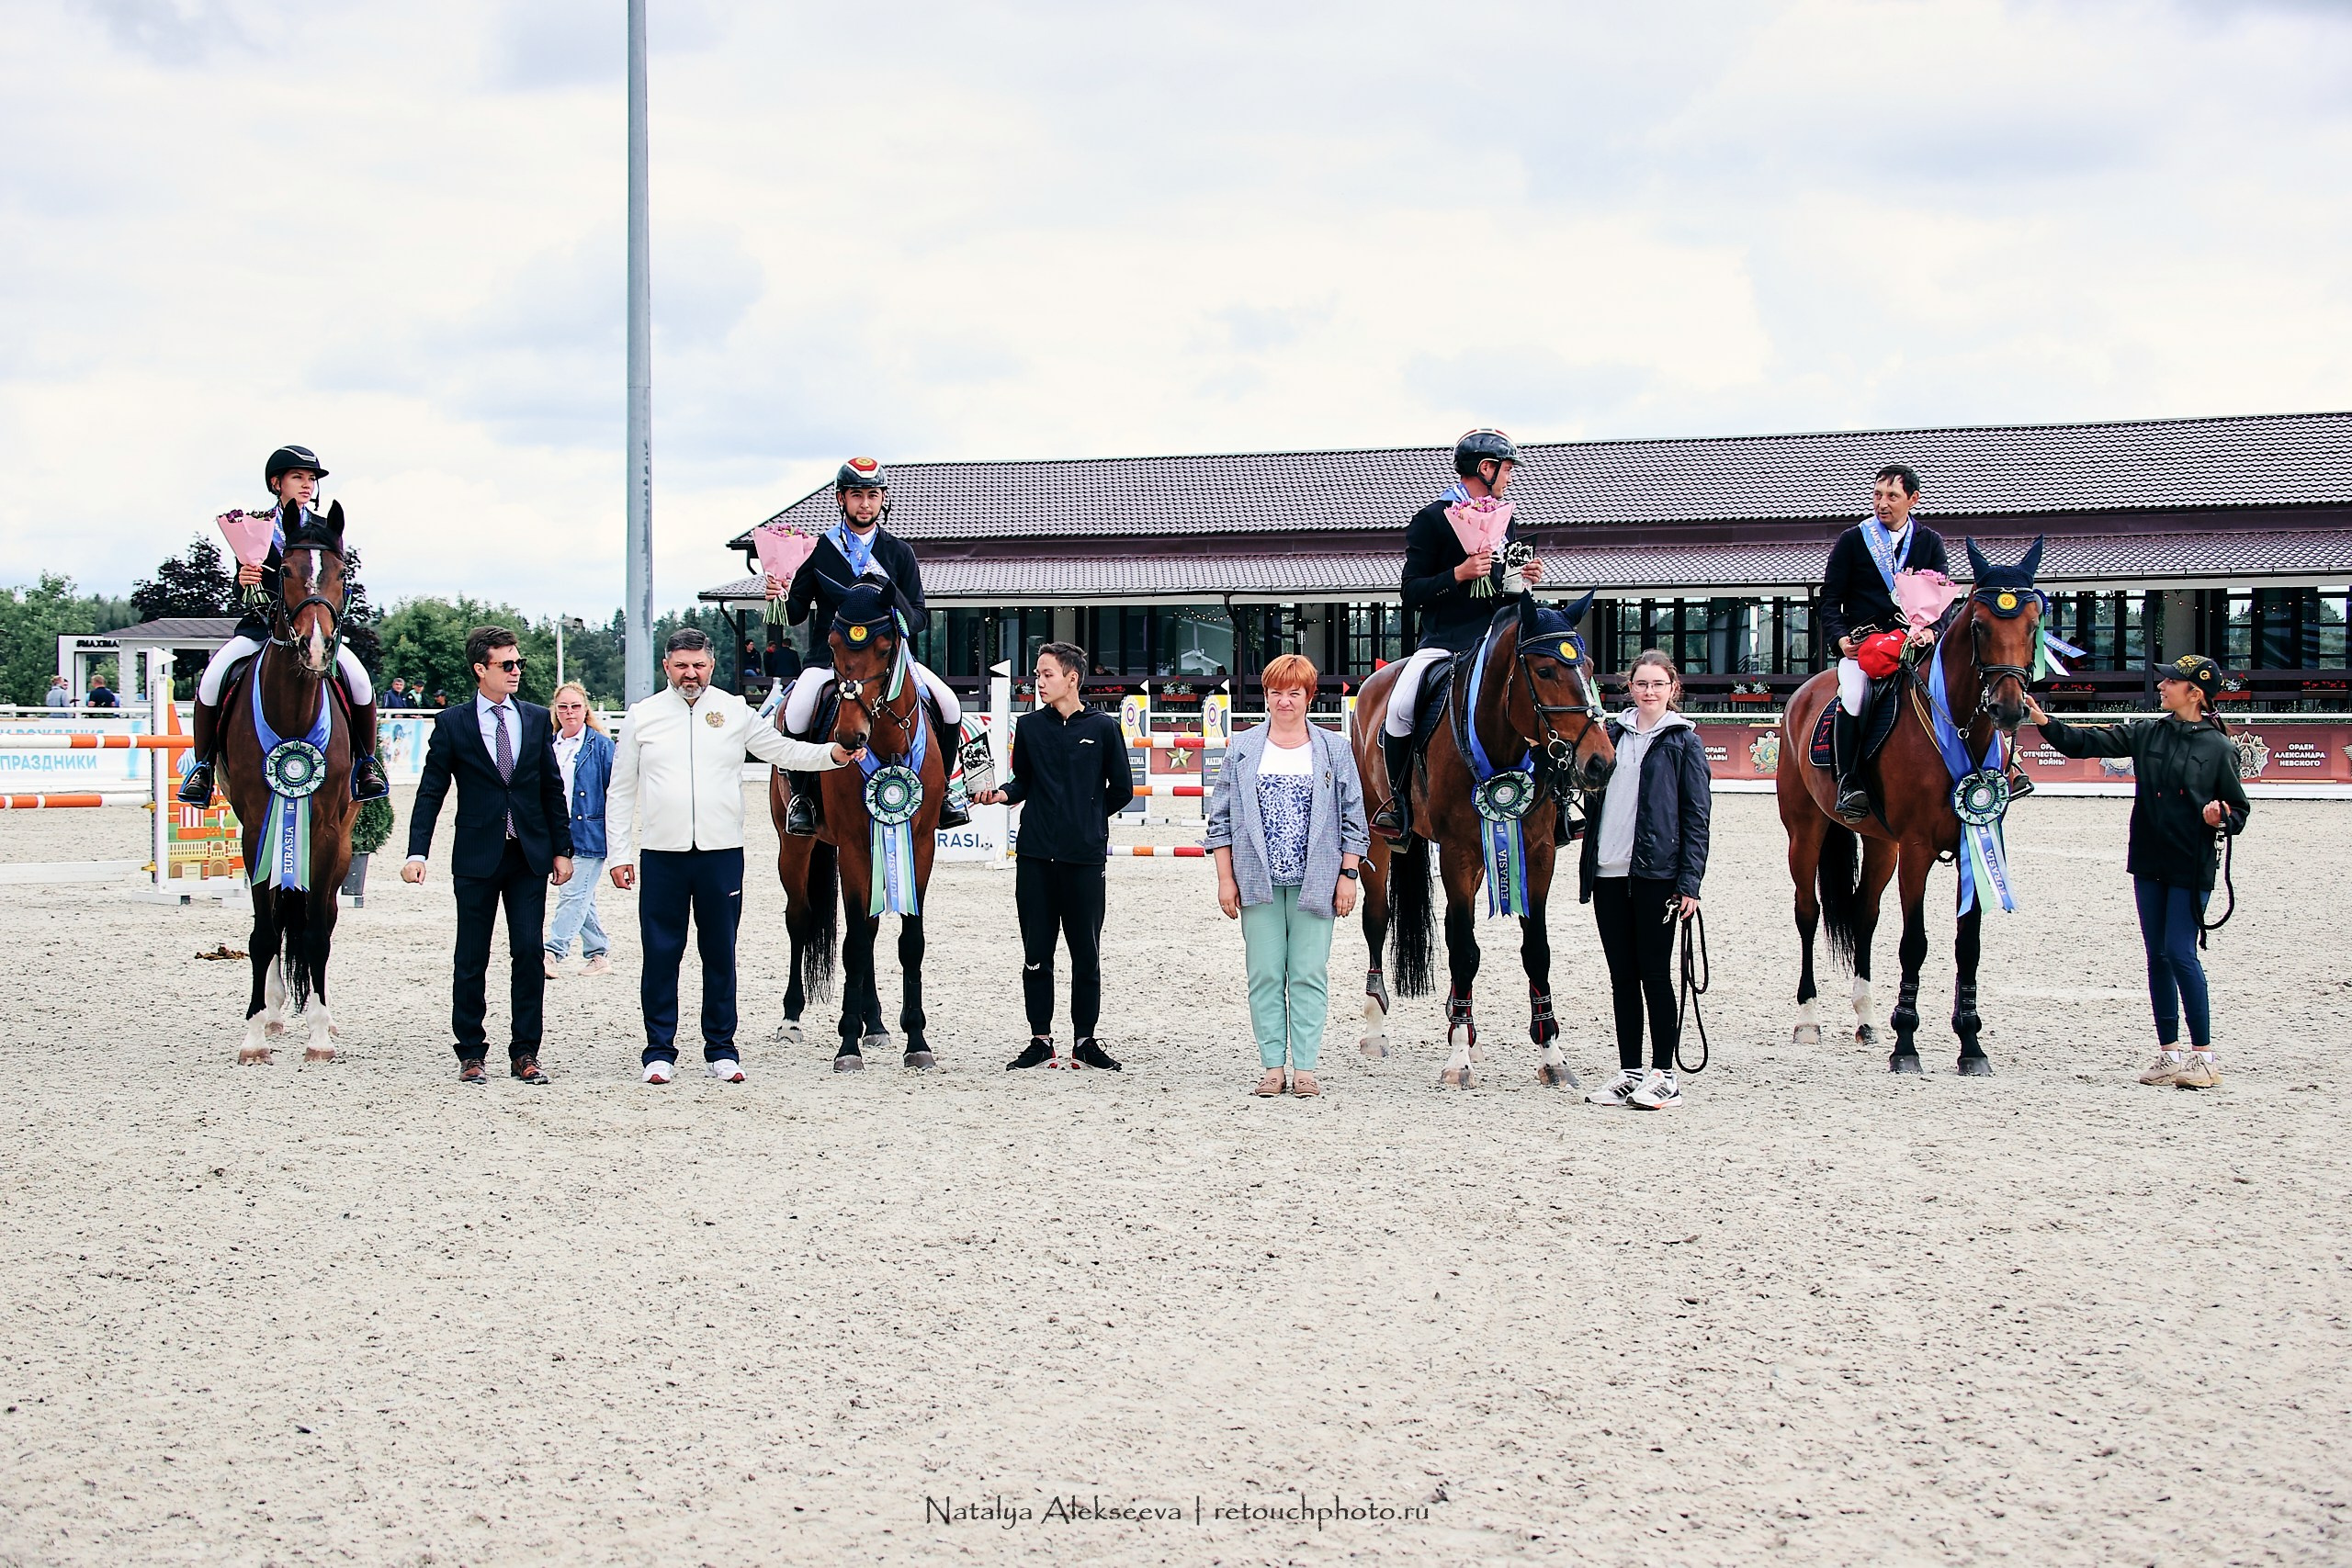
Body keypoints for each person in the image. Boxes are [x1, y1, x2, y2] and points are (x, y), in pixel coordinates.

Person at [605, 628, 859, 1085]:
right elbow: (621, 790)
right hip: (662, 854)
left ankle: (721, 1048)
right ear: (667, 666)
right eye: (682, 665)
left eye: (698, 665)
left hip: (721, 853)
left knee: (720, 952)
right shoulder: (643, 717)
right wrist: (618, 852)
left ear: (711, 665)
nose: (690, 673)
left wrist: (832, 755)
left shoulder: (733, 710)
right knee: (661, 952)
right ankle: (659, 1051)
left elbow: (781, 750)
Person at [2022, 654, 2250, 1089]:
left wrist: (2220, 814)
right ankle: (2169, 1054)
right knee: (2157, 956)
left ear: (2194, 693)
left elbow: (2239, 810)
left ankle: (2204, 1057)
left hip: (2190, 861)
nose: (2161, 687)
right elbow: (2087, 744)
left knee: (2181, 952)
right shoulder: (2148, 733)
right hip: (2148, 859)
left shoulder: (2220, 748)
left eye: (2171, 683)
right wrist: (2043, 721)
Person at [401, 626, 572, 1086]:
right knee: (471, 956)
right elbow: (431, 791)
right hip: (477, 855)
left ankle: (526, 1051)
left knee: (528, 954)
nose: (517, 671)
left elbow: (550, 788)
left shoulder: (536, 719)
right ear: (481, 669)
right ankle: (471, 1052)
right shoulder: (453, 723)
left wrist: (563, 848)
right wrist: (418, 850)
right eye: (507, 664)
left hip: (528, 856)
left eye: (518, 663)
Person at [177, 445, 389, 807]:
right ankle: (203, 767)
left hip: (315, 630)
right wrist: (244, 580)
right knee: (212, 679)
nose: (307, 485)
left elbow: (333, 580)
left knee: (359, 680)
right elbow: (240, 589)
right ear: (277, 483)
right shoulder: (256, 528)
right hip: (262, 630)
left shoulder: (323, 530)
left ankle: (367, 764)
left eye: (311, 479)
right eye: (298, 478)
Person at [770, 457, 970, 834]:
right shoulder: (820, 550)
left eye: (873, 495)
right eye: (857, 495)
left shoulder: (899, 552)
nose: (865, 503)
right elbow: (796, 612)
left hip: (888, 661)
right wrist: (779, 596)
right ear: (842, 499)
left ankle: (943, 793)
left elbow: (920, 617)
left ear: (883, 501)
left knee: (950, 703)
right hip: (831, 659)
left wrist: (897, 614)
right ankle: (803, 797)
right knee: (797, 711)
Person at [1371, 428, 1547, 840]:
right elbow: (1411, 591)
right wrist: (1458, 574)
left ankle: (1553, 808)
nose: (1509, 478)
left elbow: (1507, 588)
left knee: (1543, 698)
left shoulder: (1506, 521)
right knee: (1398, 709)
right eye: (1506, 470)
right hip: (1445, 642)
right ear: (1485, 469)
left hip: (1497, 643)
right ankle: (1397, 804)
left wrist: (1525, 578)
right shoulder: (1432, 519)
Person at [1206, 654, 1367, 1098]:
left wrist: (1347, 875)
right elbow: (1219, 819)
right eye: (1276, 692)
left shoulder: (1334, 748)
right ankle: (1272, 1065)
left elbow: (1355, 817)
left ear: (1310, 697)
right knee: (1263, 974)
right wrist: (1225, 878)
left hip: (1316, 880)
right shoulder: (1242, 747)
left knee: (1309, 972)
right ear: (1266, 695)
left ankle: (1307, 1067)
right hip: (1256, 880)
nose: (1284, 701)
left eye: (1294, 692)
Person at [971, 640, 1136, 1070]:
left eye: (1047, 674)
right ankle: (1040, 1038)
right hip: (1035, 856)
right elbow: (1022, 781)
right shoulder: (1030, 728)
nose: (1038, 682)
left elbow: (1122, 789)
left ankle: (1086, 1040)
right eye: (1037, 675)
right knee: (1036, 952)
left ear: (1072, 678)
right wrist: (1000, 794)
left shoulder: (1102, 728)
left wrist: (1087, 816)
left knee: (1086, 952)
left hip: (1084, 859)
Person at [1578, 650, 1712, 1111]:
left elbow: (1697, 819)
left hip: (1658, 875)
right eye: (1641, 684)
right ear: (1629, 688)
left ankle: (1663, 1074)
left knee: (1655, 974)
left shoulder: (1684, 743)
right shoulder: (1610, 735)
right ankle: (1630, 1069)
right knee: (1622, 977)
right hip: (1609, 871)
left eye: (1658, 684)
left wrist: (1689, 883)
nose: (1649, 691)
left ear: (1672, 688)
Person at [1820, 465, 1951, 821]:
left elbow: (1939, 596)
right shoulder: (1853, 539)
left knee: (1960, 686)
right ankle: (1849, 781)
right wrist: (1840, 639)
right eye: (1878, 495)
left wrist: (1932, 630)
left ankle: (1994, 768)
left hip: (1914, 641)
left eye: (1892, 496)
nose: (1882, 503)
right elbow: (1830, 598)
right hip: (1865, 646)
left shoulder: (1929, 542)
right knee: (1853, 695)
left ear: (1913, 499)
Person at [543, 682, 615, 978]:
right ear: (556, 711)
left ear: (584, 709)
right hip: (555, 830)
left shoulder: (601, 746)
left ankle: (551, 953)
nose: (569, 712)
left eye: (575, 706)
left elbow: (617, 789)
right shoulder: (548, 745)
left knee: (573, 894)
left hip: (589, 831)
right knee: (583, 895)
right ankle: (599, 953)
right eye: (563, 707)